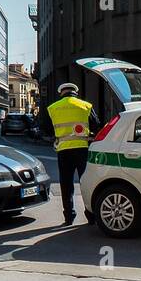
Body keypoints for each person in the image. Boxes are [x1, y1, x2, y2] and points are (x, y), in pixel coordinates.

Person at [47, 83, 98, 225]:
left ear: (61, 93)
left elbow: (46, 128)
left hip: (63, 150)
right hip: (83, 149)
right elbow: (96, 125)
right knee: (86, 182)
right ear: (75, 93)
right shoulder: (86, 106)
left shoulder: (53, 108)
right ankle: (90, 215)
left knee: (66, 184)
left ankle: (69, 216)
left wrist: (57, 136)